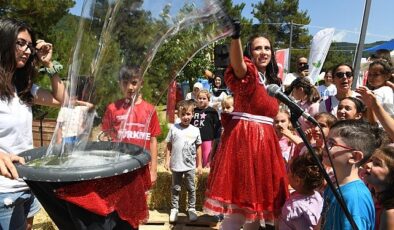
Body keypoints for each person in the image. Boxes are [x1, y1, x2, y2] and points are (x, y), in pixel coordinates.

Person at [203, 22, 289, 229]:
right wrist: (236, 38)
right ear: (250, 51)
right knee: (237, 208)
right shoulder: (248, 73)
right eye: (258, 48)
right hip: (244, 142)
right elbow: (238, 64)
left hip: (266, 146)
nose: (263, 52)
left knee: (256, 213)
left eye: (267, 48)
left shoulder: (272, 81)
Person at [0, 18, 65, 230]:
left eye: (29, 45)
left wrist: (49, 65)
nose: (27, 51)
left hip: (28, 182)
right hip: (4, 190)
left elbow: (61, 99)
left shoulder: (23, 87)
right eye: (20, 43)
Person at [102, 65, 161, 184]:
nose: (130, 87)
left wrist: (153, 170)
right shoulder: (112, 108)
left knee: (141, 199)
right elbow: (105, 137)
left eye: (134, 83)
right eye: (125, 83)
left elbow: (153, 140)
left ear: (141, 83)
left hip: (142, 166)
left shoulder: (150, 110)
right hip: (118, 166)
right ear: (119, 84)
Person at [320, 120, 380, 230]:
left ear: (355, 157)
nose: (324, 146)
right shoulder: (334, 184)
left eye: (331, 143)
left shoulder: (354, 199)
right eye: (326, 140)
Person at [164, 100, 202, 223]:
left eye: (188, 114)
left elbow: (198, 148)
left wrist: (200, 164)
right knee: (176, 188)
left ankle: (191, 208)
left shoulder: (195, 130)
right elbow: (168, 145)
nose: (186, 117)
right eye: (183, 114)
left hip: (190, 165)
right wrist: (167, 160)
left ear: (193, 114)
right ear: (179, 115)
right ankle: (174, 209)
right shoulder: (174, 128)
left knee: (191, 188)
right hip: (176, 164)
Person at [278, 153, 324, 230]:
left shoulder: (295, 208)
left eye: (289, 171)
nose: (287, 174)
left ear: (297, 180)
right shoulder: (317, 195)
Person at [364, 146, 394, 230]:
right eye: (371, 160)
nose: (368, 165)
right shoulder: (374, 200)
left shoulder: (390, 213)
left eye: (377, 164)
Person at [191, 89, 220, 168]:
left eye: (204, 98)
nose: (201, 100)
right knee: (196, 161)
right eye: (200, 98)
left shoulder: (212, 111)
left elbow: (217, 125)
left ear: (208, 100)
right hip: (195, 140)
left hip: (207, 139)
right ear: (197, 99)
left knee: (207, 161)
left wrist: (216, 137)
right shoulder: (194, 111)